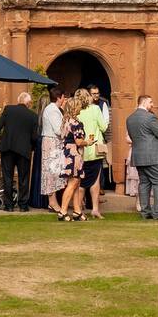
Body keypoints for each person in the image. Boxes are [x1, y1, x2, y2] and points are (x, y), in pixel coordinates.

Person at [0, 92, 39, 212]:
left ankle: (9, 205)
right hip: (24, 151)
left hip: (8, 149)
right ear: (28, 103)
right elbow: (34, 137)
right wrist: (34, 148)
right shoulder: (33, 116)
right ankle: (23, 205)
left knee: (7, 177)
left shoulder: (8, 109)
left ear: (18, 100)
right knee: (23, 178)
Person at [126, 94, 158, 221]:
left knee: (144, 183)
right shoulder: (150, 118)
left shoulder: (130, 119)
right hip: (153, 156)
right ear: (144, 102)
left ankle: (145, 212)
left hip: (139, 156)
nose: (152, 105)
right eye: (151, 102)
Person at [58, 90, 90, 221]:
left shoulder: (66, 121)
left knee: (76, 182)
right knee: (73, 182)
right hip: (74, 153)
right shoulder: (76, 123)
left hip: (66, 152)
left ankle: (77, 210)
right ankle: (63, 210)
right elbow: (78, 141)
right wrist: (87, 142)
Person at [78, 90, 109, 219]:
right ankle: (95, 209)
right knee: (95, 181)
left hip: (81, 150)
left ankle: (78, 209)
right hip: (95, 149)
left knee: (80, 181)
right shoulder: (96, 109)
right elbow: (103, 127)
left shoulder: (76, 111)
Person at [39, 88, 67, 212]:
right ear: (59, 97)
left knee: (54, 172)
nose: (64, 100)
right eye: (63, 97)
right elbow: (58, 130)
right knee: (52, 172)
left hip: (53, 142)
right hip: (52, 143)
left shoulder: (54, 109)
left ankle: (53, 201)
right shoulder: (52, 110)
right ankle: (52, 202)